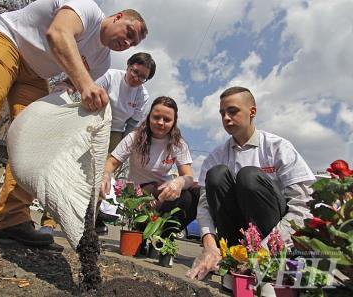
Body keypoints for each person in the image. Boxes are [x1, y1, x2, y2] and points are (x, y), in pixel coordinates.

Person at [0, 0, 148, 247]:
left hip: (35, 75)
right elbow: (58, 33)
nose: (128, 42)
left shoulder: (101, 62)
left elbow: (67, 85)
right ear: (117, 17)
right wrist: (86, 84)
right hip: (6, 42)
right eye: (129, 33)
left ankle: (13, 218)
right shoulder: (86, 10)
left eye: (134, 42)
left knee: (37, 141)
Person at [187, 86, 315, 280]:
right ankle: (230, 256)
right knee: (217, 174)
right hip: (235, 237)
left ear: (252, 112)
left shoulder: (278, 148)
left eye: (233, 111)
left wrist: (263, 251)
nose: (226, 118)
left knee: (248, 177)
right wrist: (210, 246)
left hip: (271, 239)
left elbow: (303, 205)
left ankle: (268, 264)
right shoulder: (216, 156)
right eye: (222, 113)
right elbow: (205, 206)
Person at [39, 52, 156, 236]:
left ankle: (86, 227)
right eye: (135, 72)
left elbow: (132, 125)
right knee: (69, 171)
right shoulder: (110, 76)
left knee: (101, 180)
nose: (137, 78)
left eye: (143, 77)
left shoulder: (142, 94)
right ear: (128, 65)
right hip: (92, 123)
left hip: (116, 133)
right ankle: (49, 222)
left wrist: (120, 152)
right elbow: (88, 100)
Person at [100, 96, 200, 234]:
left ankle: (164, 235)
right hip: (138, 194)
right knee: (150, 187)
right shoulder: (134, 138)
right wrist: (105, 175)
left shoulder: (178, 144)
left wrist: (179, 182)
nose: (160, 122)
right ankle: (141, 228)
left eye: (167, 120)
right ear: (149, 117)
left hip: (162, 193)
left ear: (174, 122)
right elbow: (112, 161)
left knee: (193, 194)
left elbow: (188, 176)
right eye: (156, 117)